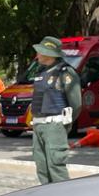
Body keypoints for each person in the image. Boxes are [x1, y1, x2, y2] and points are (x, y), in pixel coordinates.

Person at [28, 36, 81, 184]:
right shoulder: (40, 72)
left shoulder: (66, 73)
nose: (37, 55)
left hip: (54, 125)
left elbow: (76, 104)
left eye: (40, 52)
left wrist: (63, 124)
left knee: (56, 168)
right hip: (39, 125)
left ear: (49, 54)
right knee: (42, 167)